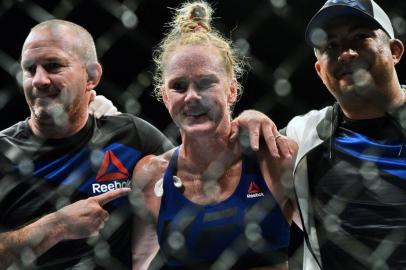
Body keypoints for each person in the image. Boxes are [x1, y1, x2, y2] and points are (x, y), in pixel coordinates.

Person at [0, 18, 289, 270]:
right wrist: (55, 226)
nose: (39, 80)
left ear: (91, 76)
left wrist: (250, 118)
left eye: (53, 66)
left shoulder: (130, 137)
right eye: (29, 69)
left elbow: (198, 152)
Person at [131, 2, 298, 270]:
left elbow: (325, 240)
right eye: (179, 86)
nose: (192, 97)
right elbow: (138, 262)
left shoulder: (274, 156)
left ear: (232, 91)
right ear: (164, 96)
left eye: (206, 83)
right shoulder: (150, 176)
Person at [282, 0, 406, 269]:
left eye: (360, 37)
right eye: (331, 46)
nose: (346, 53)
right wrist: (251, 119)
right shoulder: (301, 135)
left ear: (394, 51)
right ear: (319, 71)